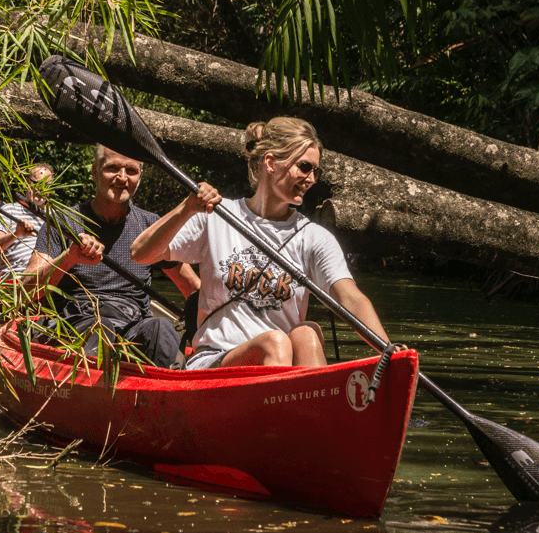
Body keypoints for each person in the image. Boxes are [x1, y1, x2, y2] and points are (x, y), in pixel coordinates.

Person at [130, 117, 396, 370]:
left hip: (281, 367)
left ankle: (316, 411)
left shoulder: (314, 237)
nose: (312, 179)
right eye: (304, 167)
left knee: (307, 332)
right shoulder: (217, 217)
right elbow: (140, 253)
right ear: (271, 162)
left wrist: (390, 353)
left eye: (316, 170)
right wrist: (187, 208)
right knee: (275, 342)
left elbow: (350, 298)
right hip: (215, 361)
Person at [23, 145, 199, 367]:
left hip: (133, 325)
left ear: (140, 177)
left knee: (162, 327)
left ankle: (169, 393)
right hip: (76, 323)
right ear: (95, 172)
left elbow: (194, 289)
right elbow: (27, 290)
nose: (122, 177)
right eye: (112, 168)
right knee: (100, 328)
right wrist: (70, 257)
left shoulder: (150, 227)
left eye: (131, 171)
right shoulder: (62, 222)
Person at [0, 164, 54, 276]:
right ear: (27, 182)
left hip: (48, 279)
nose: (41, 189)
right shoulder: (8, 210)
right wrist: (16, 234)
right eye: (37, 183)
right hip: (16, 278)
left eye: (46, 185)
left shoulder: (56, 217)